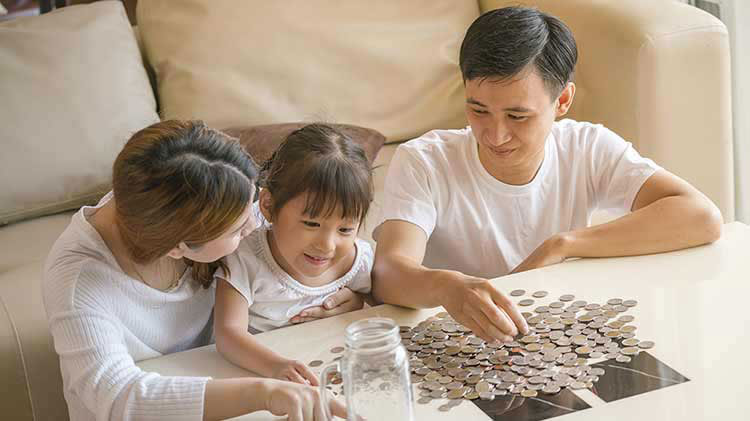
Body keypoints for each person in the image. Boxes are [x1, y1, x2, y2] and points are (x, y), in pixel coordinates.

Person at [372, 7, 723, 344]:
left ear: (563, 101)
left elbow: (701, 217)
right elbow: (388, 274)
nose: (495, 135)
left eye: (517, 116)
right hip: (457, 342)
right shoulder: (424, 160)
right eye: (478, 110)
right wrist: (445, 287)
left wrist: (563, 245)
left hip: (553, 332)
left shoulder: (586, 147)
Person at [43, 120, 346, 421]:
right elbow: (121, 397)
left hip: (224, 375)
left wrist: (342, 294)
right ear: (176, 249)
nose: (255, 225)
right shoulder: (78, 283)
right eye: (239, 231)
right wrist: (264, 394)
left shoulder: (198, 182)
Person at [213, 123, 374, 386]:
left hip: (330, 374)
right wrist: (278, 367)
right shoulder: (245, 257)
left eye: (345, 229)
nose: (327, 245)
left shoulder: (358, 260)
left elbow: (379, 312)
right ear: (268, 205)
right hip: (258, 377)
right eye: (311, 224)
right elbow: (228, 334)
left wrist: (357, 303)